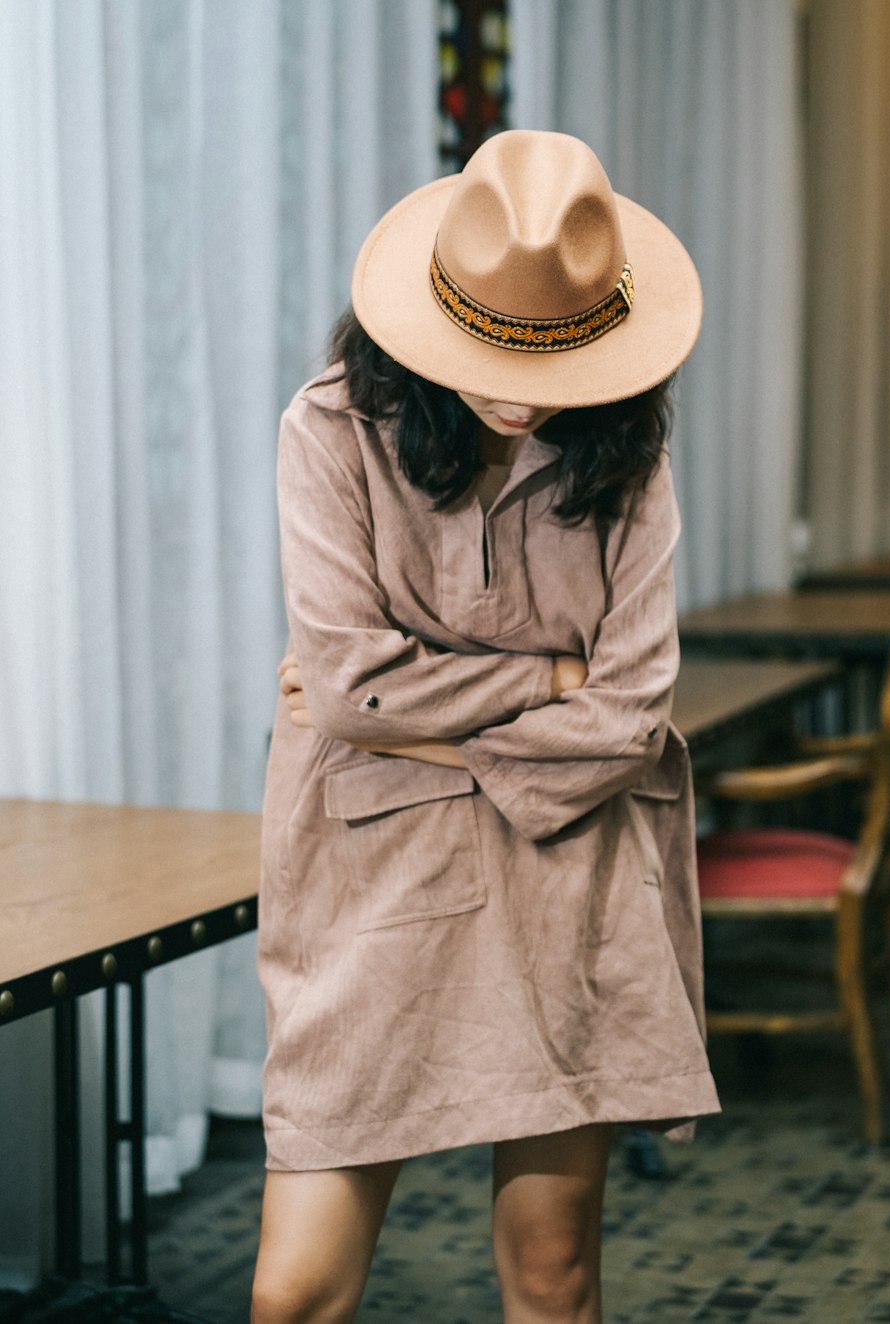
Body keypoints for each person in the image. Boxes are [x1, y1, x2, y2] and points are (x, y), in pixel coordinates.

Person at [251, 129, 720, 1324]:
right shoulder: (329, 430)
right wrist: (550, 677)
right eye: (490, 351)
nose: (518, 392)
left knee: (553, 1278)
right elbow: (350, 687)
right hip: (371, 869)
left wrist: (417, 723)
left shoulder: (629, 451)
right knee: (296, 1292)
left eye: (552, 360)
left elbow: (630, 713)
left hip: (570, 868)